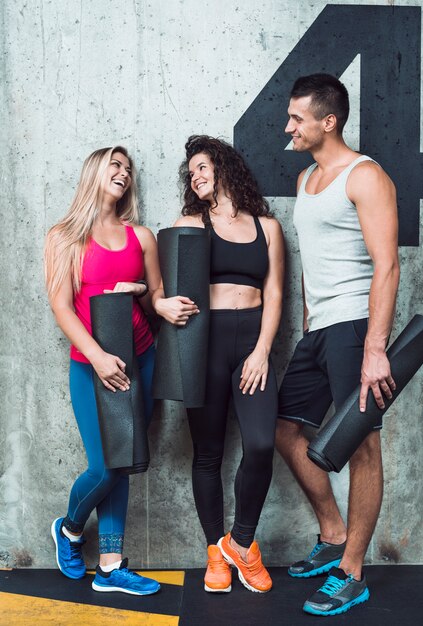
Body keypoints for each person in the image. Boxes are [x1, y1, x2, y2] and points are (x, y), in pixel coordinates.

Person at [276, 74, 399, 616]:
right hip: (319, 327)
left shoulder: (365, 175)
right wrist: (306, 319)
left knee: (361, 443)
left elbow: (387, 265)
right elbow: (313, 259)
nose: (288, 127)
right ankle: (332, 534)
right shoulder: (307, 178)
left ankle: (353, 570)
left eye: (297, 118)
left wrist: (375, 348)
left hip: (354, 326)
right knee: (284, 429)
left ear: (328, 121)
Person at [154, 135, 284, 593]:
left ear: (225, 166)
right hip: (202, 344)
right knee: (207, 454)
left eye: (204, 166)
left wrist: (263, 349)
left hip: (252, 340)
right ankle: (215, 551)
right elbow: (165, 284)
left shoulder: (267, 226)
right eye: (191, 172)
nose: (197, 175)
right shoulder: (188, 224)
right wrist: (155, 300)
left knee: (261, 445)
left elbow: (276, 295)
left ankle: (242, 544)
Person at [44, 146, 164, 595]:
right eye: (115, 165)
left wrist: (148, 297)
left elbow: (154, 297)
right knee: (106, 466)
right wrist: (96, 355)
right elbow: (61, 306)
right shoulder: (63, 237)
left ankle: (111, 566)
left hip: (142, 358)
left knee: (127, 461)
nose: (123, 173)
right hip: (91, 366)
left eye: (128, 169)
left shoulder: (142, 236)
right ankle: (70, 529)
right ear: (94, 171)